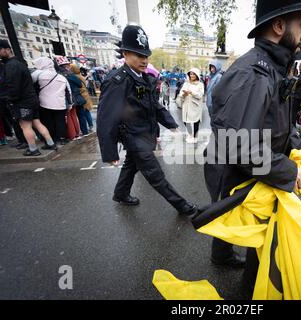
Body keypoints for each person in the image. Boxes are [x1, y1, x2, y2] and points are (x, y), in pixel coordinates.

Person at [204, 0, 301, 269]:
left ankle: (221, 256)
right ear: (280, 25)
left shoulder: (273, 68)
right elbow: (237, 145)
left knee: (233, 217)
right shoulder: (253, 73)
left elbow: (275, 124)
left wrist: (300, 145)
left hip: (253, 169)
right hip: (234, 172)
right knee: (235, 216)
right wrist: (286, 170)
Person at [97, 24, 198, 216]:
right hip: (133, 136)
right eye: (139, 55)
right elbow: (106, 118)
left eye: (146, 55)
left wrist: (171, 123)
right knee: (156, 175)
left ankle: (121, 193)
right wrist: (109, 152)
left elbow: (154, 105)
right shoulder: (117, 81)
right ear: (125, 54)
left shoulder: (143, 78)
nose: (144, 60)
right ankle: (183, 207)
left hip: (144, 133)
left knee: (131, 165)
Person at [0, 39, 57, 156]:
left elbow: (13, 86)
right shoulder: (19, 63)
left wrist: (9, 99)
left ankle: (33, 149)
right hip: (30, 99)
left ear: (7, 49)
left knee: (25, 126)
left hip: (22, 101)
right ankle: (51, 143)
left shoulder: (11, 66)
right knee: (37, 122)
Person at [31, 57, 72, 145]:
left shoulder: (36, 75)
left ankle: (52, 138)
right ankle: (62, 138)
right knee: (60, 121)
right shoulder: (61, 77)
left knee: (48, 122)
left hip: (44, 103)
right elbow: (68, 91)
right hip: (60, 103)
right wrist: (70, 103)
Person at [178, 68, 204, 143]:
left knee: (196, 121)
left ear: (197, 75)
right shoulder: (186, 83)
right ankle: (190, 135)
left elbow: (200, 95)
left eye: (193, 74)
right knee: (186, 120)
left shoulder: (200, 84)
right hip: (186, 104)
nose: (191, 75)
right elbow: (180, 94)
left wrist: (192, 92)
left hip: (195, 105)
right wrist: (184, 94)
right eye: (190, 74)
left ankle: (195, 136)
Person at [71, 64, 94, 134]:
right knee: (87, 111)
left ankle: (86, 129)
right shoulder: (81, 76)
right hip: (86, 95)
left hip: (81, 95)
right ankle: (91, 125)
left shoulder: (74, 77)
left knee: (82, 114)